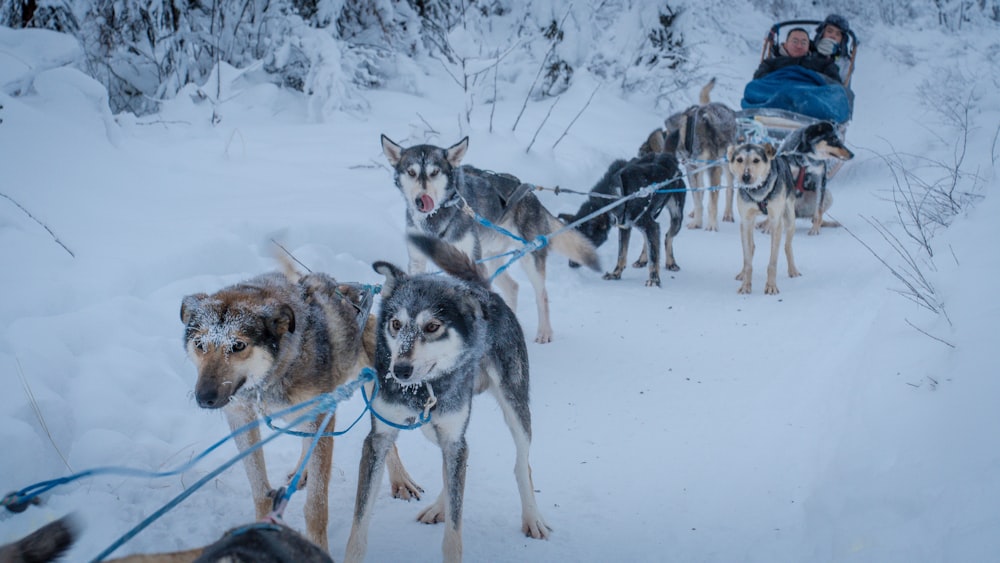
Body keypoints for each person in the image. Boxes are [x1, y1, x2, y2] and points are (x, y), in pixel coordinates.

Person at [752, 27, 841, 83]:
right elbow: (759, 80)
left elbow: (834, 84)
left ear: (808, 46)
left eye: (803, 42)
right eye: (795, 41)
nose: (799, 46)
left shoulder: (822, 63)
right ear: (786, 44)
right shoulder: (771, 63)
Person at [813, 14, 852, 82]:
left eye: (838, 34)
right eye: (829, 31)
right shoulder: (808, 50)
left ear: (842, 40)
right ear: (822, 33)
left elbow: (843, 87)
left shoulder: (844, 62)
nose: (833, 36)